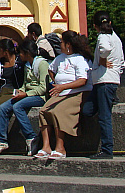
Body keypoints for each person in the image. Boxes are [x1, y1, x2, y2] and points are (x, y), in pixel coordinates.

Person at [34, 30, 92, 160]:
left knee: (58, 112)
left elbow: (83, 80)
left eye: (62, 42)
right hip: (60, 92)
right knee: (43, 111)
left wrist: (63, 86)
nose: (60, 44)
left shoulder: (79, 59)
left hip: (75, 93)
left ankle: (60, 147)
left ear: (68, 45)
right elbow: (51, 69)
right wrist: (56, 82)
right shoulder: (60, 58)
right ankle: (46, 146)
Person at [0, 38, 49, 156]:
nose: (19, 55)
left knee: (17, 106)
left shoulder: (42, 64)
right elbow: (25, 84)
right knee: (3, 107)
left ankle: (31, 137)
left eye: (21, 53)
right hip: (27, 94)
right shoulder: (28, 65)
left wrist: (26, 94)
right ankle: (2, 140)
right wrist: (20, 91)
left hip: (39, 96)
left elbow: (44, 88)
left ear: (27, 53)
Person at [83, 11, 125, 160]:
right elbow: (122, 62)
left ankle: (107, 149)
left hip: (104, 81)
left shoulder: (103, 36)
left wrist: (102, 57)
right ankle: (111, 98)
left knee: (104, 116)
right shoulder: (116, 38)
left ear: (95, 26)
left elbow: (105, 49)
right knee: (87, 110)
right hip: (108, 80)